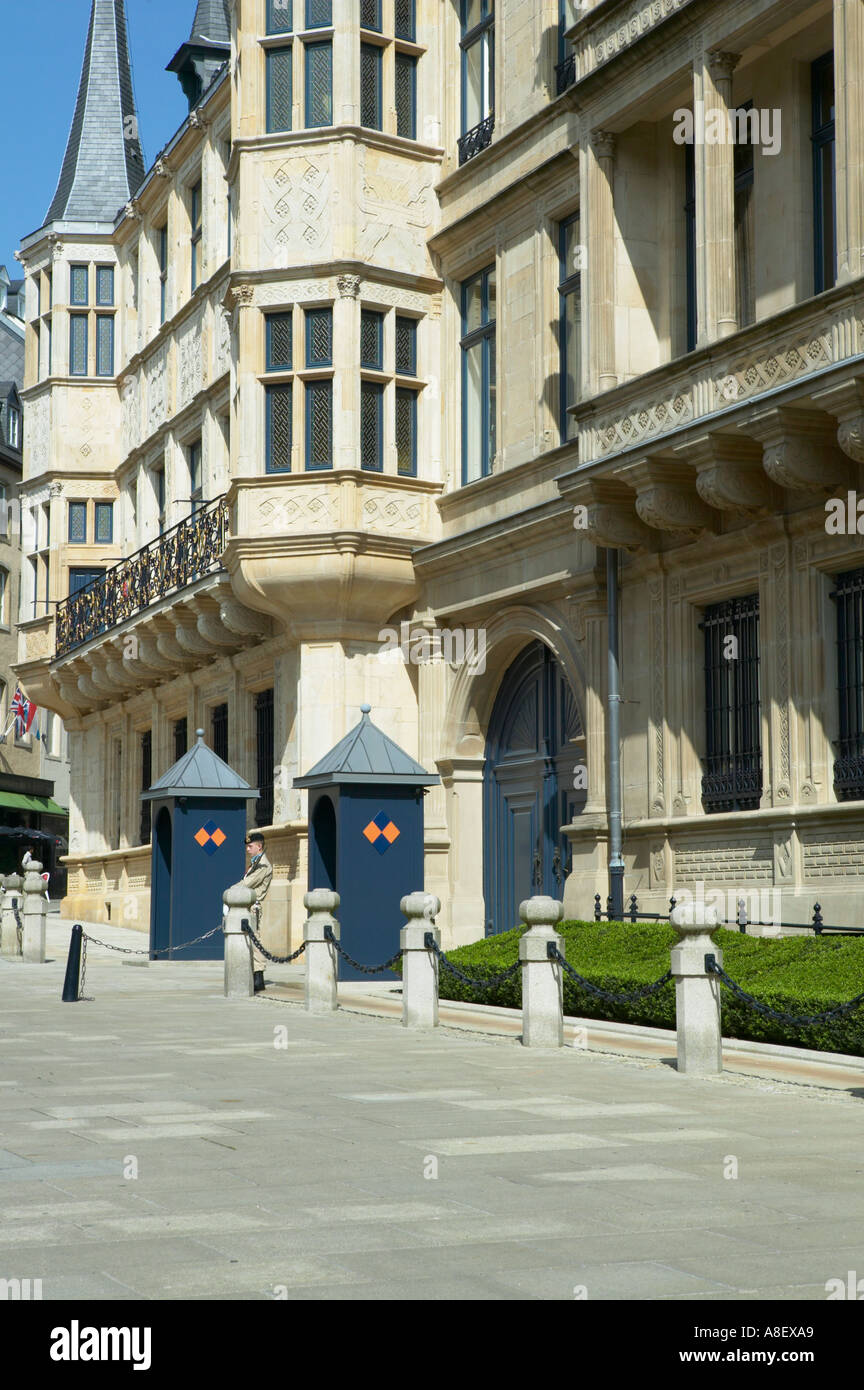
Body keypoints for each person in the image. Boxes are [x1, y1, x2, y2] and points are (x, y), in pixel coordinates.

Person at [242, 832, 272, 992]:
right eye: (247, 846)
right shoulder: (255, 863)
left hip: (253, 907)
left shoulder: (263, 865)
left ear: (259, 846)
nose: (248, 849)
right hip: (248, 906)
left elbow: (247, 884)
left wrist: (232, 890)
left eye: (250, 846)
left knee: (255, 942)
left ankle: (258, 978)